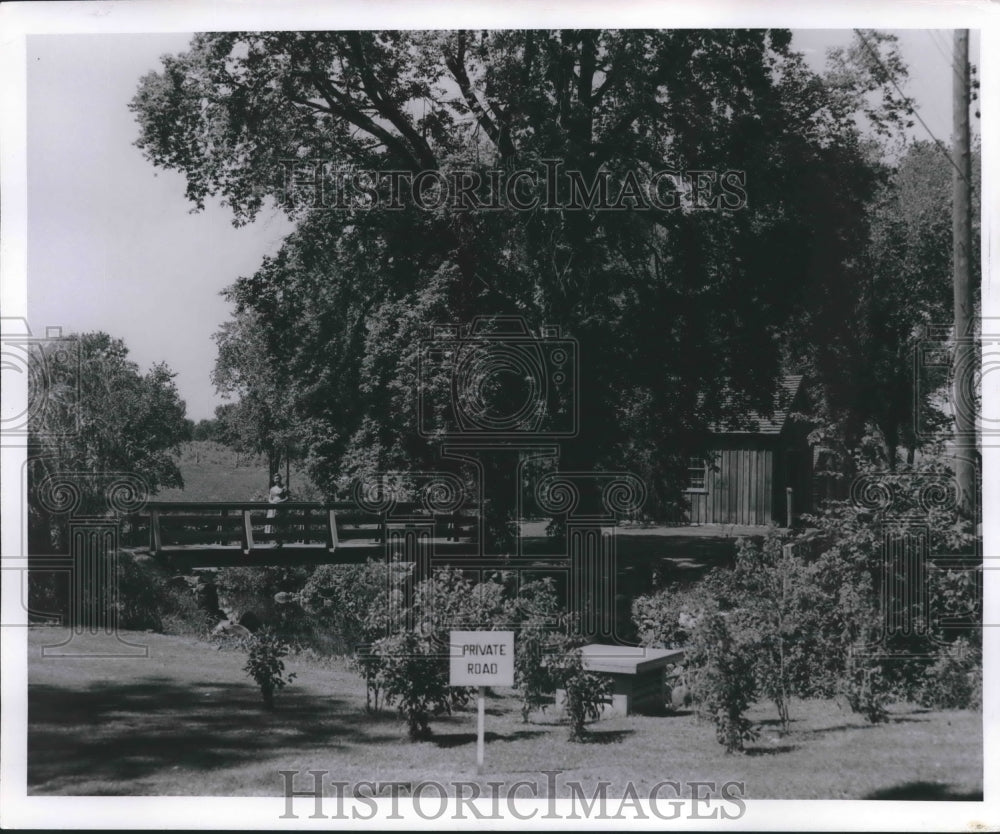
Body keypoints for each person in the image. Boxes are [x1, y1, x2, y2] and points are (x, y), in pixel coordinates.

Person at [266, 473, 289, 546]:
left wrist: (280, 502)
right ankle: (274, 541)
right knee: (273, 524)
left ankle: (280, 541)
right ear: (273, 480)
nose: (277, 480)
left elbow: (287, 498)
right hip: (273, 508)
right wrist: (272, 502)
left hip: (281, 508)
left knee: (280, 524)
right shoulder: (272, 489)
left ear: (280, 479)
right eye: (276, 478)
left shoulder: (284, 488)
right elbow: (269, 498)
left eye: (278, 478)